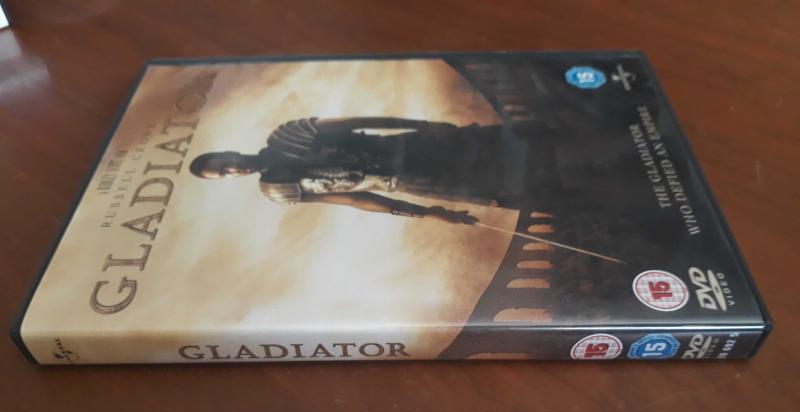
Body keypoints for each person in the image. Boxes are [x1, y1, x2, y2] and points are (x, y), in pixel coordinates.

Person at [188, 116, 547, 224]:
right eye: (224, 173)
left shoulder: (288, 134)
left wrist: (422, 125)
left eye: (224, 162)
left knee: (514, 141)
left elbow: (361, 121)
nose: (233, 168)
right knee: (503, 196)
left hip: (413, 147)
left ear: (228, 151)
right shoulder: (277, 189)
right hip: (414, 182)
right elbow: (355, 199)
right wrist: (427, 213)